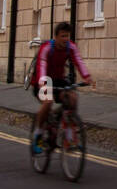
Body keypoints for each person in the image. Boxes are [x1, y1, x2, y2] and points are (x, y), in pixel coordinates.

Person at [31, 21, 91, 155]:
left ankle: (69, 138)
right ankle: (38, 134)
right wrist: (42, 82)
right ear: (56, 37)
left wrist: (86, 76)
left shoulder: (70, 47)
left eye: (67, 36)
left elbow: (78, 60)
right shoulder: (46, 48)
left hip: (58, 80)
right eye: (63, 36)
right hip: (42, 79)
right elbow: (41, 64)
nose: (65, 39)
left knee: (73, 98)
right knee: (48, 102)